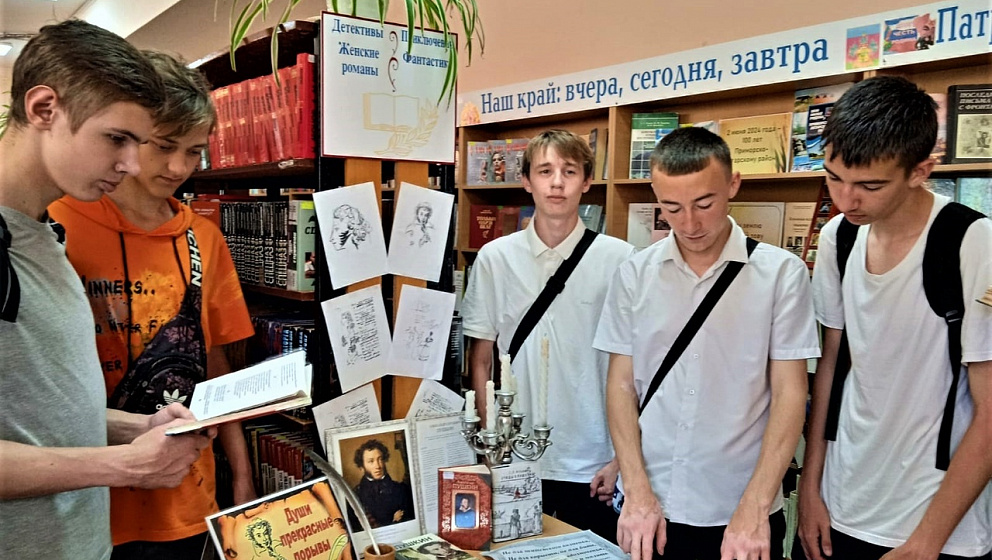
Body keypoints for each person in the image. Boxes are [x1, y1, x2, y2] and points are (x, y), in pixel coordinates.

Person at [0, 20, 213, 560]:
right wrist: (123, 466)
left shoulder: (43, 234)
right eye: (116, 138)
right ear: (44, 109)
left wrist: (137, 426)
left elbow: (39, 417)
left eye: (138, 143)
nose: (132, 165)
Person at [47, 50, 257, 559]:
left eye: (194, 151)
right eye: (164, 146)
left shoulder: (204, 238)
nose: (179, 167)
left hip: (185, 495)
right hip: (83, 499)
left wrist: (242, 474)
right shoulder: (55, 224)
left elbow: (214, 362)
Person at [594, 127, 819, 560]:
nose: (689, 223)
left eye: (704, 203)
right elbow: (621, 386)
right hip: (648, 508)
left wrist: (755, 507)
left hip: (738, 510)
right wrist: (637, 491)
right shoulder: (635, 274)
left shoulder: (780, 274)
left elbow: (791, 393)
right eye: (672, 208)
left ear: (733, 184)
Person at [798, 76, 992, 560]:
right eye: (833, 177)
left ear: (920, 170)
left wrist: (927, 541)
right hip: (841, 502)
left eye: (870, 186)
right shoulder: (839, 237)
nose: (845, 200)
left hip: (934, 521)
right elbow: (830, 368)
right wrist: (810, 487)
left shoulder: (973, 242)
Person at [461, 129, 635, 541]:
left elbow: (637, 367)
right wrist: (490, 451)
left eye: (569, 171)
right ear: (526, 181)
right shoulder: (495, 258)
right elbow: (481, 360)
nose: (557, 183)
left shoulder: (621, 258)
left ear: (587, 181)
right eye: (545, 171)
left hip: (595, 460)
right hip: (515, 456)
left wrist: (623, 459)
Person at [352, 438, 414, 527]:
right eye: (371, 461)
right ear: (362, 467)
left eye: (380, 459)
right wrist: (393, 521)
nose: (377, 466)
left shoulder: (401, 489)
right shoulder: (356, 495)